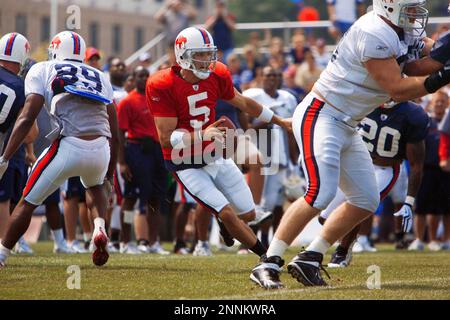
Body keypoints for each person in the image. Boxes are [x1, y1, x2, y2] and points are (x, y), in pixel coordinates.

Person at [250, 0, 450, 289]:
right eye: (409, 8)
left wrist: (446, 48)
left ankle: (311, 256)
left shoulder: (396, 27)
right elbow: (397, 87)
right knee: (320, 193)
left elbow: (426, 57)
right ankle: (268, 262)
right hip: (322, 114)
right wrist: (442, 76)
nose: (415, 15)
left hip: (347, 122)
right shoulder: (373, 32)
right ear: (390, 7)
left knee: (366, 199)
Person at [147, 27, 291, 259]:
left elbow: (243, 102)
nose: (207, 60)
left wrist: (280, 121)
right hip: (184, 161)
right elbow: (166, 139)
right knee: (226, 213)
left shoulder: (218, 73)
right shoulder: (162, 83)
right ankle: (267, 258)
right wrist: (202, 135)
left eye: (209, 54)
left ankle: (226, 224)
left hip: (213, 153)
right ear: (183, 55)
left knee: (249, 214)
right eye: (200, 55)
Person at [0, 31, 119, 268]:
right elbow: (115, 132)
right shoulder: (99, 75)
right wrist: (110, 172)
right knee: (95, 187)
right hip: (101, 147)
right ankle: (99, 227)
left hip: (69, 144)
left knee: (27, 202)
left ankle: (2, 253)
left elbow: (26, 117)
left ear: (55, 50)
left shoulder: (42, 68)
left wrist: (5, 156)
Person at [318, 101, 429, 267]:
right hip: (355, 163)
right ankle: (343, 244)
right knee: (324, 217)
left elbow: (416, 164)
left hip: (385, 169)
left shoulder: (412, 114)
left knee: (358, 207)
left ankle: (341, 251)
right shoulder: (366, 100)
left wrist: (409, 200)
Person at [117, 66, 169, 255]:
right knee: (131, 198)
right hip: (137, 150)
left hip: (157, 151)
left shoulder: (157, 99)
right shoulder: (127, 101)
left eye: (147, 76)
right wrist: (122, 162)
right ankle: (126, 241)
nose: (145, 79)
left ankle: (153, 242)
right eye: (141, 76)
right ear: (134, 78)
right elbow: (120, 135)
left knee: (155, 198)